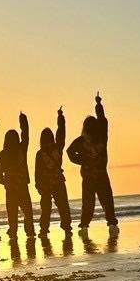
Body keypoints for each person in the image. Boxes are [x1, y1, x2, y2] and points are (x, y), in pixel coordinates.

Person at [67, 92, 118, 231]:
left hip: (89, 175)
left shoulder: (82, 140)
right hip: (99, 174)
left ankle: (84, 225)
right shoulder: (102, 137)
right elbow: (103, 120)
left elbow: (69, 152)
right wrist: (98, 104)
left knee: (88, 202)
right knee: (106, 200)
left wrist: (82, 161)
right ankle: (111, 223)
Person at [0, 112, 36, 239]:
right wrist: (23, 120)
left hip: (11, 187)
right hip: (21, 185)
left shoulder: (3, 154)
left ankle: (13, 232)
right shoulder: (21, 149)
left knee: (12, 213)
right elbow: (26, 135)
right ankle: (29, 231)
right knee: (27, 212)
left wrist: (3, 181)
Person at [35, 106, 72, 235]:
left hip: (46, 183)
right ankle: (66, 227)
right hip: (57, 181)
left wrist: (38, 186)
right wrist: (60, 117)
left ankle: (44, 229)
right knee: (63, 206)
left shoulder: (40, 153)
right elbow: (61, 131)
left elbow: (37, 172)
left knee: (46, 208)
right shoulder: (58, 147)